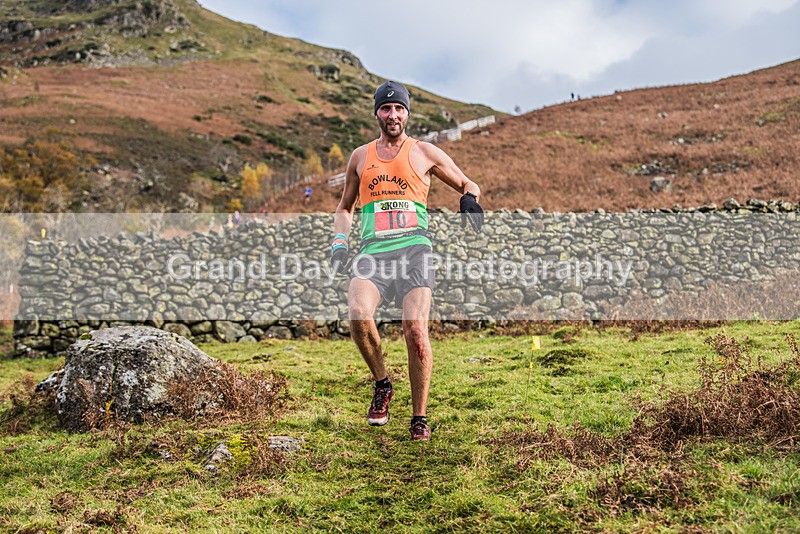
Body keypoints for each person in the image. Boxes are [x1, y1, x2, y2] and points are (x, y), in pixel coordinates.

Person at [331, 81, 484, 441]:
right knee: (357, 312)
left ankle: (419, 417)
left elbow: (467, 183)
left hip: (415, 250)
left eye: (399, 108)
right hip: (373, 251)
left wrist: (469, 200)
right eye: (386, 109)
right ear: (377, 114)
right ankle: (382, 383)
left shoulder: (425, 152)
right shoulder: (360, 156)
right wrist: (340, 241)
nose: (393, 115)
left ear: (407, 113)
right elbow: (344, 206)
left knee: (415, 329)